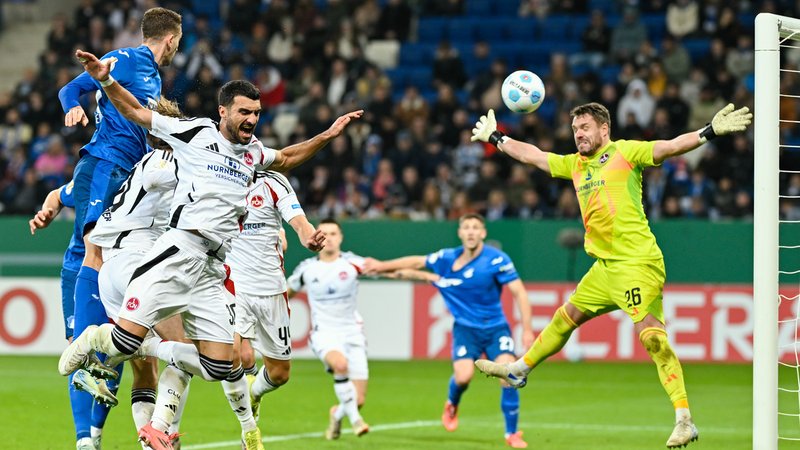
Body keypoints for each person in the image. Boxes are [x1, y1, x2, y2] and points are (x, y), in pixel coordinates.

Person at [58, 47, 361, 450]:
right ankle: (99, 342)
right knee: (128, 344)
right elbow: (138, 114)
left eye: (256, 113)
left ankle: (142, 371)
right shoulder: (195, 135)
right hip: (178, 251)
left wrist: (327, 135)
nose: (251, 120)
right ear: (223, 112)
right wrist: (106, 80)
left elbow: (286, 157)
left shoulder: (254, 155)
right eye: (244, 113)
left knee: (222, 365)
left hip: (213, 268)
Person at [468, 102, 752, 448]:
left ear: (605, 129)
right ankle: (519, 370)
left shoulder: (626, 152)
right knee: (565, 317)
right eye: (575, 129)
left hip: (637, 263)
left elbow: (669, 146)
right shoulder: (575, 165)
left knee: (652, 340)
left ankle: (684, 419)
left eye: (585, 127)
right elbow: (534, 156)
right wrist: (497, 137)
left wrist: (708, 132)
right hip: (604, 268)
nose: (579, 134)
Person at [57, 8, 183, 449]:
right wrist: (73, 105)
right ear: (171, 39)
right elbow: (72, 85)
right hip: (108, 164)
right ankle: (90, 351)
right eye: (177, 43)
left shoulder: (151, 76)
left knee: (102, 256)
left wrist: (58, 194)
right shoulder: (129, 59)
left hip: (122, 173)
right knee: (92, 249)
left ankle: (90, 433)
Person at [363, 213, 534, 448]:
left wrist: (527, 329)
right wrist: (381, 266)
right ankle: (452, 403)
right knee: (463, 377)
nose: (471, 231)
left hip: (496, 329)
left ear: (483, 233)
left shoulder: (497, 259)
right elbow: (415, 264)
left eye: (476, 227)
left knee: (509, 375)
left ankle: (512, 433)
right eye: (467, 227)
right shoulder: (446, 258)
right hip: (465, 330)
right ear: (460, 232)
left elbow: (520, 293)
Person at [85, 97, 190, 449]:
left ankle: (149, 441)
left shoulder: (142, 160)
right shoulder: (165, 159)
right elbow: (171, 176)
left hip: (115, 267)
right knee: (183, 349)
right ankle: (162, 432)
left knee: (144, 365)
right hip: (137, 263)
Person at [221, 170, 324, 450]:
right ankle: (249, 430)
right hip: (233, 285)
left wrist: (307, 235)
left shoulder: (273, 183)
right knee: (233, 355)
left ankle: (253, 393)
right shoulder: (218, 177)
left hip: (271, 291)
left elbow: (299, 222)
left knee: (279, 374)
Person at [286, 219, 373, 440]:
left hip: (353, 333)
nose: (330, 238)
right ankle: (356, 421)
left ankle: (337, 414)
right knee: (340, 365)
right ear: (317, 237)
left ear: (341, 237)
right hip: (324, 334)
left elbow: (385, 271)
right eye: (324, 233)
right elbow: (286, 295)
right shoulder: (307, 268)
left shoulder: (353, 263)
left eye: (334, 233)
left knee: (358, 399)